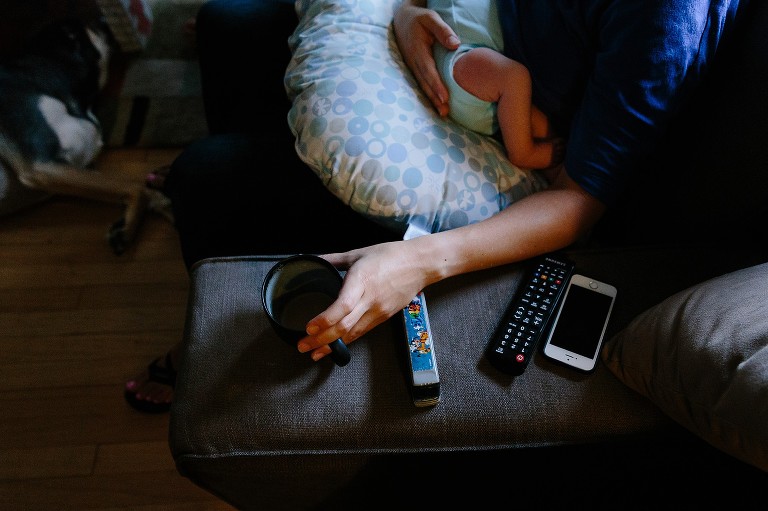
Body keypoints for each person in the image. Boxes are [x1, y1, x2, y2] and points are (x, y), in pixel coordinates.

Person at [124, 0, 750, 412]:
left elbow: (578, 203)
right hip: (477, 39)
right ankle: (259, 175)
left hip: (523, 135)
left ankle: (218, 329)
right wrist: (410, 13)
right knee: (229, 26)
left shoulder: (665, 24)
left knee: (208, 178)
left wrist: (419, 262)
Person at [428, 0, 563, 170]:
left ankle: (540, 152)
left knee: (523, 109)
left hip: (463, 76)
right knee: (515, 78)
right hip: (463, 64)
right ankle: (523, 153)